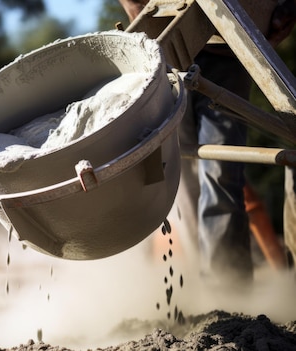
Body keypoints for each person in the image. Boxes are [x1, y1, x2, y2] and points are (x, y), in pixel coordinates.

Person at [119, 0, 296, 287]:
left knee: (221, 170)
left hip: (229, 46)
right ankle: (203, 291)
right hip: (167, 50)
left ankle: (229, 290)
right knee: (181, 176)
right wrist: (142, 24)